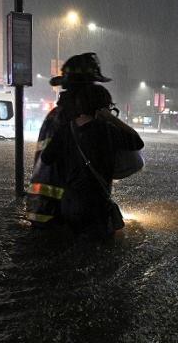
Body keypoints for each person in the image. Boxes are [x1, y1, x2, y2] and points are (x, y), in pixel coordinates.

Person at [25, 53, 143, 236]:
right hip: (67, 213)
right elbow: (135, 145)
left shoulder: (57, 116)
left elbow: (47, 159)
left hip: (46, 209)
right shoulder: (99, 126)